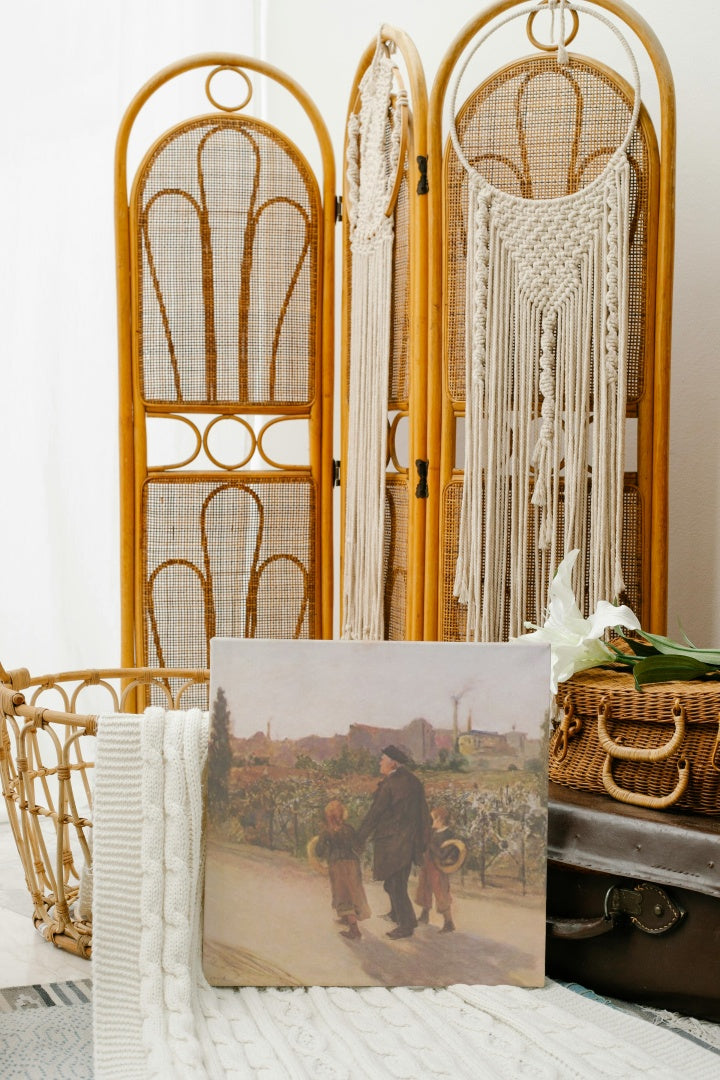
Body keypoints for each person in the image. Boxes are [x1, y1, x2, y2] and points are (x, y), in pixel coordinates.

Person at [356, 745, 431, 939]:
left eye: (383, 759)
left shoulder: (390, 784)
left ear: (393, 763)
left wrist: (359, 838)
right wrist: (423, 841)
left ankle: (406, 925)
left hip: (393, 842)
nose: (380, 762)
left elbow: (375, 814)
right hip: (409, 842)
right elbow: (424, 813)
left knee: (396, 885)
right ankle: (397, 914)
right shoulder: (414, 781)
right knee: (394, 883)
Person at [314, 799, 370, 940]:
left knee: (343, 894)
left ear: (328, 816)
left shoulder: (326, 831)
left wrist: (324, 846)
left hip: (338, 865)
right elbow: (359, 847)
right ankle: (346, 918)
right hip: (352, 864)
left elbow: (319, 851)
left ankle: (354, 930)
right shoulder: (349, 829)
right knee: (353, 892)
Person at [415, 805, 461, 932]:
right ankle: (425, 915)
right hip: (427, 864)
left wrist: (431, 846)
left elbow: (448, 852)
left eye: (433, 819)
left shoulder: (449, 834)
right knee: (425, 888)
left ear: (440, 819)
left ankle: (449, 922)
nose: (432, 822)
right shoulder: (433, 832)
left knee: (441, 892)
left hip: (438, 868)